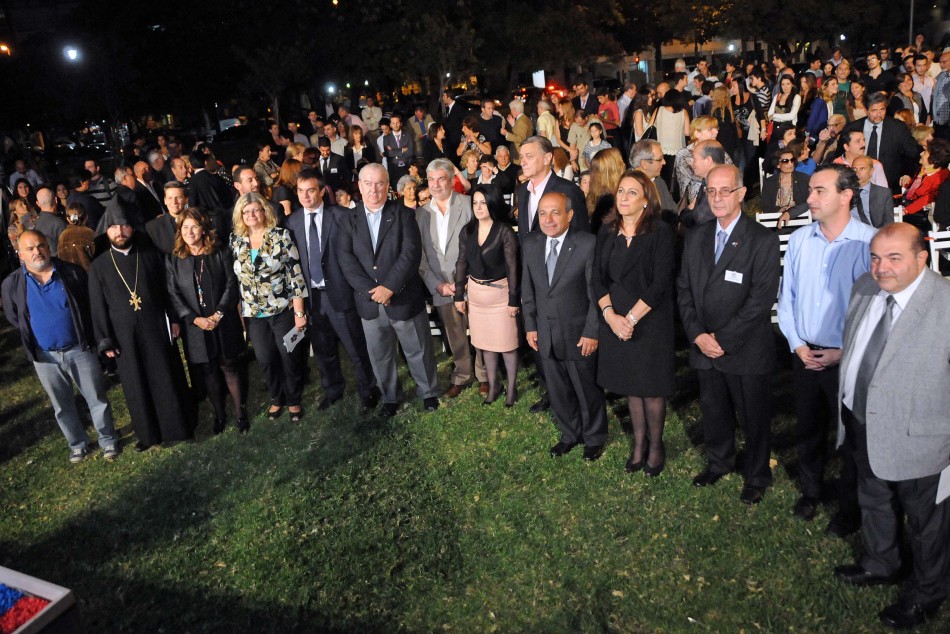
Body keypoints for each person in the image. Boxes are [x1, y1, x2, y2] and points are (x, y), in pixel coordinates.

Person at [833, 223, 950, 630]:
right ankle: (881, 563)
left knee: (926, 525)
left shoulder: (945, 303)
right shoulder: (865, 287)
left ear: (922, 257)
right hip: (862, 420)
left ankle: (928, 593)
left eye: (894, 258)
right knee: (874, 499)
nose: (881, 268)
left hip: (923, 438)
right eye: (876, 257)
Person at [778, 165, 876, 535]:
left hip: (848, 362)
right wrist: (797, 344)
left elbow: (875, 312)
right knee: (808, 429)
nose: (810, 198)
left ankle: (849, 508)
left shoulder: (868, 243)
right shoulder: (800, 239)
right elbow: (786, 299)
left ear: (846, 196)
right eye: (810, 190)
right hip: (805, 358)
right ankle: (811, 491)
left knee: (852, 439)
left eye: (820, 191)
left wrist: (843, 352)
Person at [677, 165, 780, 504]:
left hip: (744, 349)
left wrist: (721, 339)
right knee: (714, 410)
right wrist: (698, 335)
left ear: (741, 193)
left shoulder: (762, 239)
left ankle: (757, 475)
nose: (717, 198)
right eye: (711, 191)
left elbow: (760, 300)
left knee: (753, 417)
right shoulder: (696, 237)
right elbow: (684, 289)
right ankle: (719, 461)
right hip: (705, 347)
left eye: (725, 191)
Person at [2, 230, 120, 463]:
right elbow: (14, 315)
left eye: (41, 246)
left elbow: (89, 305)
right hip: (45, 357)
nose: (37, 252)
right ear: (20, 254)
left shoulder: (71, 272)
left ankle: (108, 439)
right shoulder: (12, 284)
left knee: (96, 398)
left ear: (48, 247)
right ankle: (77, 444)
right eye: (30, 249)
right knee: (61, 405)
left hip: (79, 349)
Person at [336, 163, 440, 417]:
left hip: (403, 298)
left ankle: (428, 392)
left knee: (417, 349)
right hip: (370, 302)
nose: (374, 189)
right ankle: (391, 397)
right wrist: (373, 291)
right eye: (368, 183)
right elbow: (346, 260)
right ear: (360, 187)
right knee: (380, 355)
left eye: (380, 183)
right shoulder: (347, 219)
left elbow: (411, 253)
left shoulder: (403, 214)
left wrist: (390, 287)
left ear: (388, 186)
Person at [88, 207, 193, 451]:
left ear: (132, 228)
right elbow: (97, 306)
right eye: (114, 227)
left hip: (156, 328)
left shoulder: (150, 255)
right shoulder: (99, 266)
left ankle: (178, 427)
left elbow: (167, 290)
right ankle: (148, 435)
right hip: (124, 337)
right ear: (107, 231)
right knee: (136, 384)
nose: (120, 231)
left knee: (165, 376)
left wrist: (174, 319)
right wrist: (105, 339)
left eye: (124, 225)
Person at [594, 170, 675, 475]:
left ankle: (655, 446)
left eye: (632, 192)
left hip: (649, 321)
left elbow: (660, 283)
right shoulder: (607, 231)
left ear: (645, 200)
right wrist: (610, 317)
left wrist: (629, 319)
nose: (624, 198)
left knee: (650, 387)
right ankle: (639, 444)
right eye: (621, 191)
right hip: (616, 321)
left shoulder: (660, 231)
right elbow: (597, 279)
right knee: (631, 385)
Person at [521, 191, 606, 461]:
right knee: (557, 390)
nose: (548, 219)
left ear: (569, 215)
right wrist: (530, 325)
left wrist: (592, 331)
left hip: (578, 333)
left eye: (555, 213)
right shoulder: (531, 243)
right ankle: (570, 434)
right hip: (545, 333)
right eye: (543, 213)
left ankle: (594, 437)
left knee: (586, 389)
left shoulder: (587, 244)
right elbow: (528, 288)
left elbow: (596, 294)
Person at [285, 170, 379, 412]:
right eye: (300, 191)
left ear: (322, 191)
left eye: (310, 190)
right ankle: (333, 389)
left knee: (355, 347)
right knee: (323, 349)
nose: (305, 196)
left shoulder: (341, 216)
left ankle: (368, 389)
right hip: (313, 299)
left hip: (340, 294)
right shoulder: (292, 223)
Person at [167, 208, 248, 434]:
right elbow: (173, 293)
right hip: (196, 326)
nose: (189, 232)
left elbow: (231, 284)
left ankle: (240, 414)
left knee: (229, 366)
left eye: (194, 226)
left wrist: (218, 314)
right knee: (209, 370)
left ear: (203, 229)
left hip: (223, 320)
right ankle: (219, 415)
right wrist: (195, 319)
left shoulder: (219, 251)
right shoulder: (174, 259)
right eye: (184, 227)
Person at [230, 192, 309, 422]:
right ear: (240, 215)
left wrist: (299, 312)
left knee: (289, 354)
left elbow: (295, 275)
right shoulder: (236, 240)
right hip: (254, 314)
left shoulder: (281, 236)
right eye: (246, 211)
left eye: (256, 210)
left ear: (265, 212)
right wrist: (240, 312)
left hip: (282, 309)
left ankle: (293, 399)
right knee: (265, 358)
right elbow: (237, 280)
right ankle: (277, 397)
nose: (252, 215)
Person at [416, 158, 485, 397]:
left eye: (441, 179)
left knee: (480, 331)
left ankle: (485, 374)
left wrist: (469, 280)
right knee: (455, 335)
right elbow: (420, 257)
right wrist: (437, 285)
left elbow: (482, 243)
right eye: (431, 180)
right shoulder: (421, 214)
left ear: (451, 179)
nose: (435, 185)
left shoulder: (469, 204)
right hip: (442, 287)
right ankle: (462, 374)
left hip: (473, 282)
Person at [453, 185, 519, 406]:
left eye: (483, 202)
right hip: (476, 296)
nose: (478, 207)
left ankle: (512, 389)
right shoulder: (467, 231)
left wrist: (513, 300)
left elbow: (512, 268)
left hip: (500, 297)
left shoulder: (504, 231)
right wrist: (459, 295)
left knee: (507, 345)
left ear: (493, 203)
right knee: (485, 345)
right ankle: (493, 386)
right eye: (475, 203)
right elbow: (461, 263)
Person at [764, 148, 811, 229]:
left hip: (799, 221)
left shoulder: (804, 179)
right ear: (778, 164)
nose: (790, 164)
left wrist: (791, 212)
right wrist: (781, 209)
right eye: (785, 161)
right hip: (776, 222)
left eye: (792, 160)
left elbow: (808, 202)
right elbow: (766, 207)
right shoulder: (769, 182)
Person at [852, 155, 895, 228]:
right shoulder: (846, 192)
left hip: (875, 232)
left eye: (862, 168)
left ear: (871, 171)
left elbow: (888, 223)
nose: (857, 173)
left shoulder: (883, 194)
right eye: (854, 169)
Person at [58, 202, 96, 271]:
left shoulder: (63, 235)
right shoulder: (89, 233)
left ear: (68, 219)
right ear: (86, 217)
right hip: (88, 274)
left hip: (69, 275)